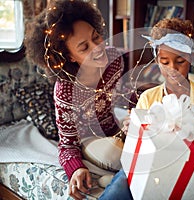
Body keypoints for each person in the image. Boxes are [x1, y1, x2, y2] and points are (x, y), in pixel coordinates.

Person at [100, 18, 194, 200]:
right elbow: (137, 147)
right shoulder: (148, 97)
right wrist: (131, 130)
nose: (172, 68)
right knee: (118, 188)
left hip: (187, 164)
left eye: (180, 61)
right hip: (148, 163)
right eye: (165, 62)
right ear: (157, 61)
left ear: (190, 59)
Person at [24, 0, 127, 199]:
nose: (98, 48)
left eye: (96, 37)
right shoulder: (65, 91)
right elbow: (68, 144)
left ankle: (114, 177)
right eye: (84, 47)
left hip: (114, 130)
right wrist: (76, 169)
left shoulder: (114, 59)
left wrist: (135, 114)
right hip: (88, 141)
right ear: (69, 56)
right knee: (114, 155)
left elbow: (122, 97)